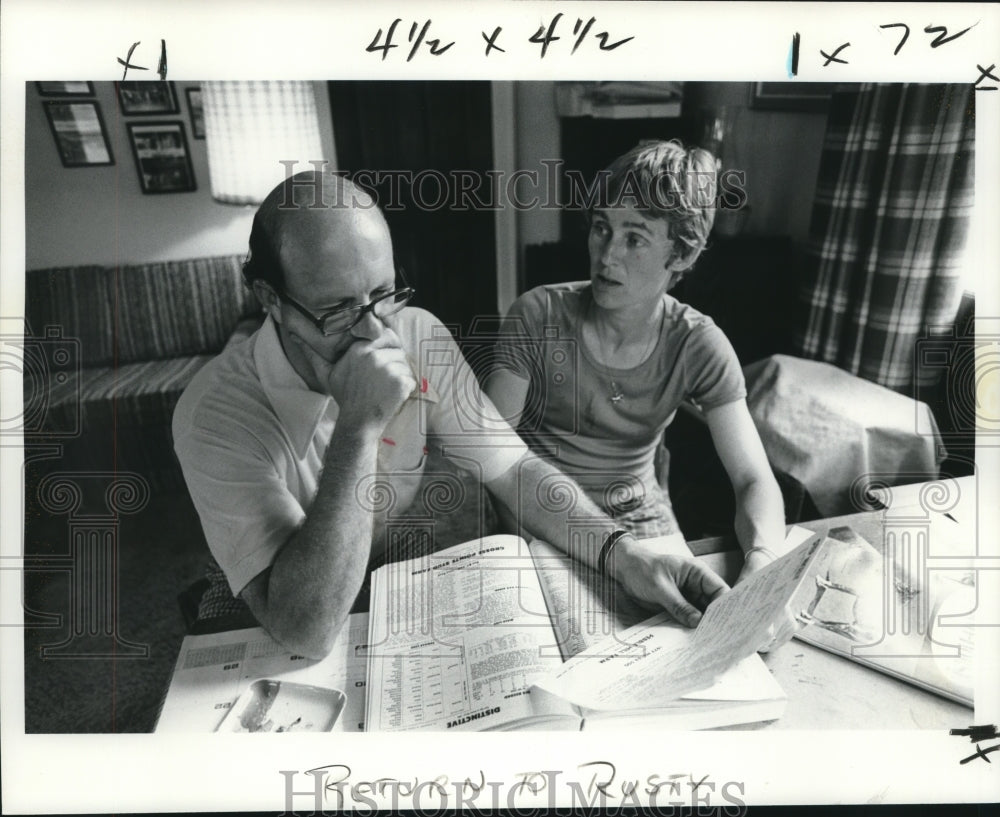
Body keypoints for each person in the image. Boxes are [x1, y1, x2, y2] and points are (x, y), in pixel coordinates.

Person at [173, 170, 728, 659]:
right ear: (271, 299)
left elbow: (513, 470)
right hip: (283, 594)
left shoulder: (416, 332)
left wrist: (622, 553)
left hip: (386, 570)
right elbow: (305, 629)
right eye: (338, 310)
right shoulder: (213, 415)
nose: (376, 334)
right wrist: (359, 424)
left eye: (383, 293)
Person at [485, 140, 785, 583]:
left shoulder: (699, 344)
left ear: (680, 254)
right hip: (538, 508)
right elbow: (490, 454)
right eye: (601, 228)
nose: (606, 256)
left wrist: (762, 561)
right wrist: (530, 545)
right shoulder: (537, 314)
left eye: (634, 238)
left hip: (638, 517)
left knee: (686, 624)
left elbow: (753, 479)